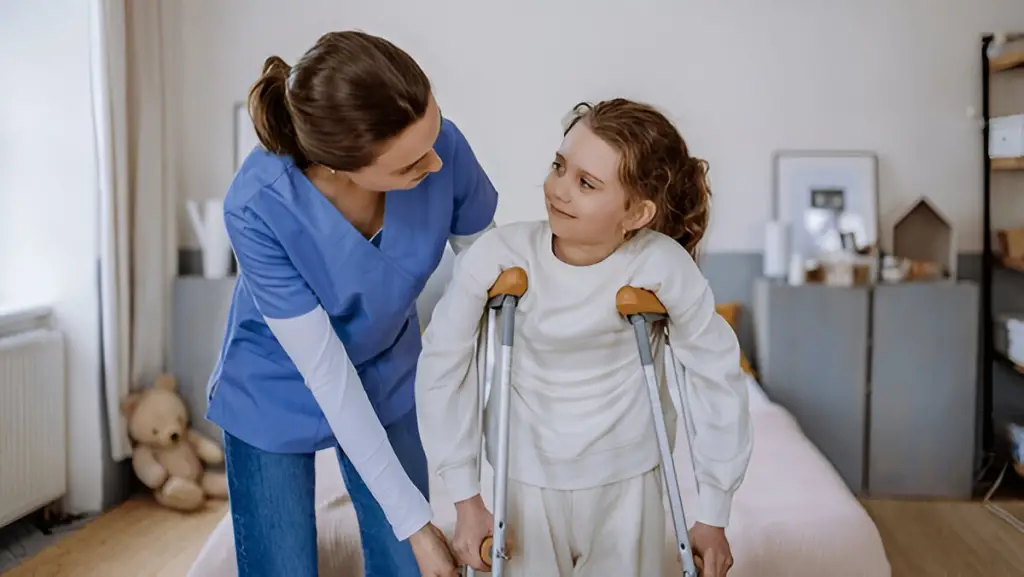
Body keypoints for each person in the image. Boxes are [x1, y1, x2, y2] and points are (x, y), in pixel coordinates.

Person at [415, 99, 753, 577]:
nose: (559, 190)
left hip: (629, 481)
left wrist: (715, 511)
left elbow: (716, 375)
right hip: (525, 478)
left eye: (586, 183)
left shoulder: (661, 265)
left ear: (636, 213)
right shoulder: (500, 254)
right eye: (559, 166)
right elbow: (443, 364)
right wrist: (465, 499)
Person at [206, 30, 498, 577]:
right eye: (409, 166)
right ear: (339, 165)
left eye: (434, 136)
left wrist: (468, 496)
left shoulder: (443, 149)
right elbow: (327, 373)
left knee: (410, 567)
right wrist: (414, 524)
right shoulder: (257, 206)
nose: (436, 165)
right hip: (275, 384)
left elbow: (496, 293)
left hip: (388, 369)